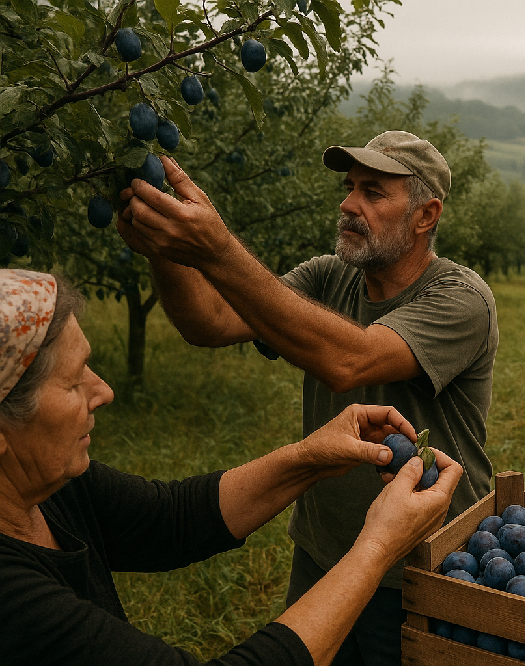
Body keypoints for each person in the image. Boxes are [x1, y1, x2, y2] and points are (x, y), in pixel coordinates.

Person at [116, 131, 498, 665]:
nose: (348, 204)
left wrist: (219, 248)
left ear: (425, 216)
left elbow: (352, 361)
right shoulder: (328, 276)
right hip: (324, 548)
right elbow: (210, 321)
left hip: (424, 557)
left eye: (373, 191)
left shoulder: (461, 299)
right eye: (349, 187)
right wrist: (167, 249)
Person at [0, 269, 461, 666]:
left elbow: (173, 520)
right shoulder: (16, 603)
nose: (104, 392)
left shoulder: (53, 489)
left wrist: (309, 459)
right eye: (73, 381)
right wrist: (378, 547)